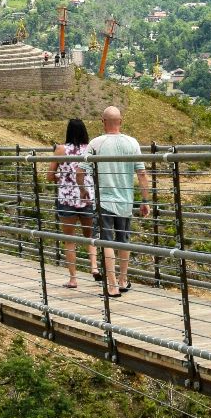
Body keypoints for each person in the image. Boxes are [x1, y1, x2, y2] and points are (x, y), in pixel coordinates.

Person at [88, 106, 149, 297]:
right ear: (120, 122)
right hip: (126, 201)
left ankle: (112, 286)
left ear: (103, 122)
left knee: (107, 242)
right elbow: (142, 173)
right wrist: (145, 200)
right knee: (124, 241)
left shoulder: (96, 143)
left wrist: (83, 191)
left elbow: (81, 171)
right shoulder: (133, 143)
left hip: (104, 201)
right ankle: (123, 280)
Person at [48, 118, 97, 288]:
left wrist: (61, 176)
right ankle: (94, 268)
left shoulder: (61, 150)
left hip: (67, 198)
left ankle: (73, 279)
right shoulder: (91, 149)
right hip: (87, 197)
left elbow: (49, 175)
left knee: (69, 240)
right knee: (90, 237)